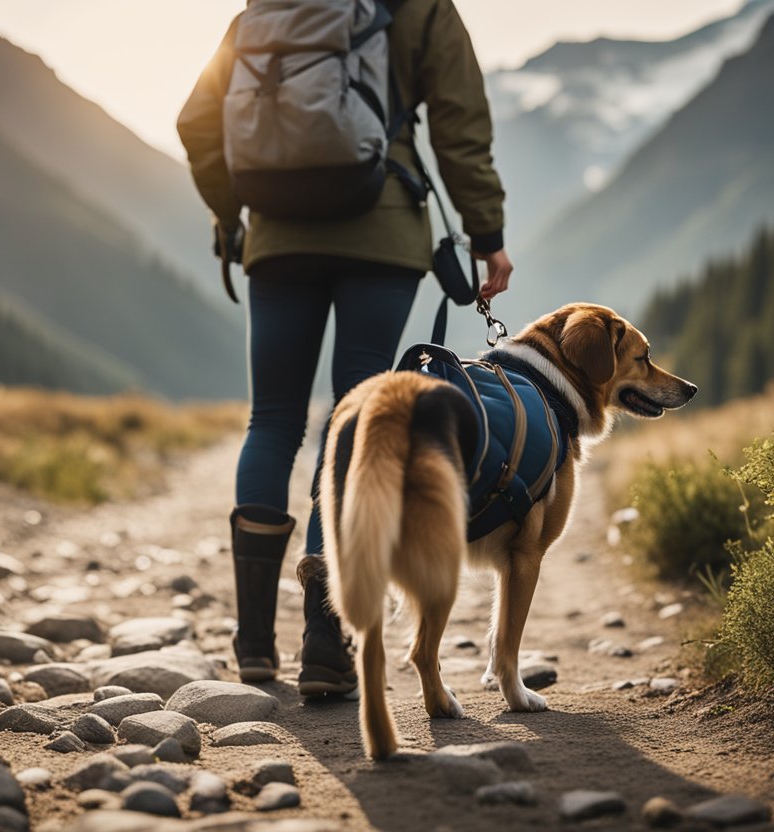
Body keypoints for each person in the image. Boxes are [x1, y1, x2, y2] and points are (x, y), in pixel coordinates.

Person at [177, 0, 512, 696]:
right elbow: (458, 119)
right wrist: (485, 232)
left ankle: (254, 646)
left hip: (277, 236)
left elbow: (198, 121)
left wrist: (232, 212)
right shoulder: (418, 7)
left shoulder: (271, 5)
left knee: (271, 421)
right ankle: (326, 645)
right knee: (354, 420)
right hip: (382, 228)